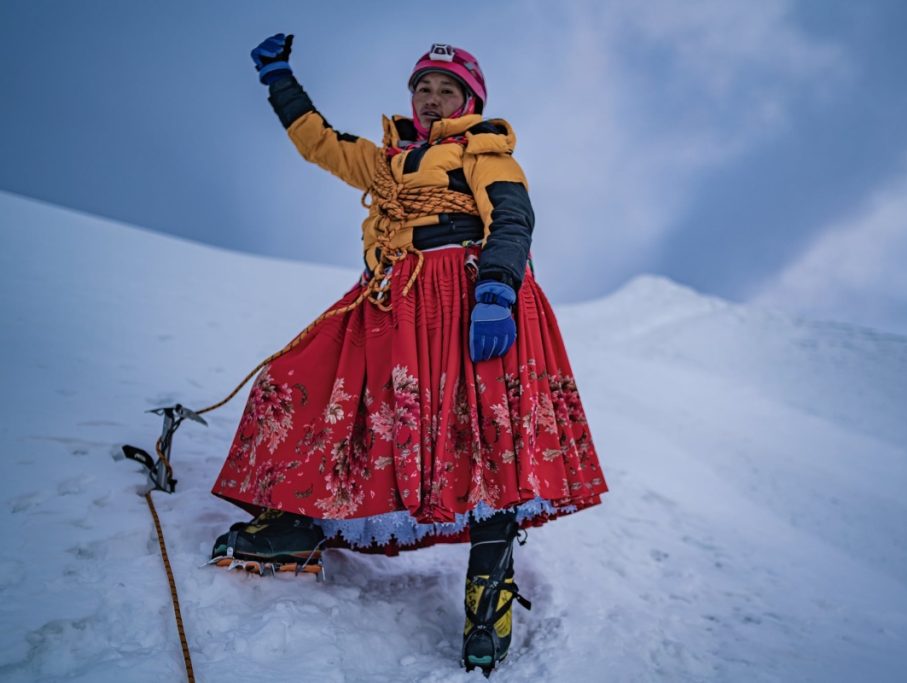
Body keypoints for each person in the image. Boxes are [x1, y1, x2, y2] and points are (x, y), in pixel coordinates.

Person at [209, 34, 608, 675]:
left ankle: (489, 597)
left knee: (483, 437)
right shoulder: (388, 162)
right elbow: (321, 144)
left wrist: (497, 291)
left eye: (446, 89)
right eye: (422, 87)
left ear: (469, 100)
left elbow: (512, 216)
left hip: (469, 294)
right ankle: (293, 523)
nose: (431, 98)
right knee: (304, 383)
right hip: (395, 296)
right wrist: (279, 79)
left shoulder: (483, 149)